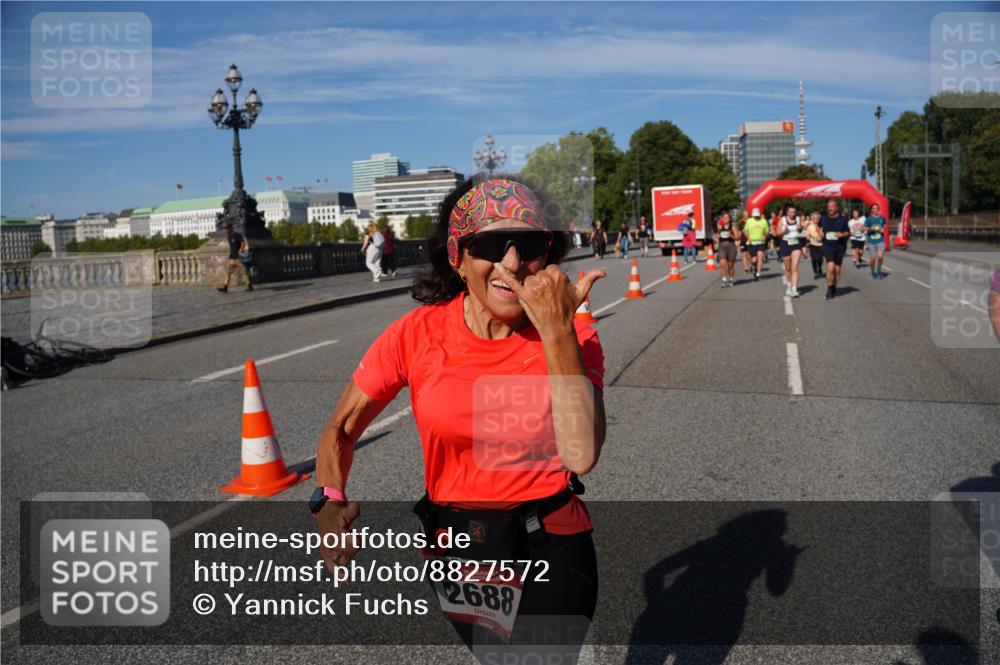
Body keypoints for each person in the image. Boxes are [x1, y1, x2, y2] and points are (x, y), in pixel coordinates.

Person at [312, 177, 606, 663]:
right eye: (490, 245)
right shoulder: (416, 334)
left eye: (529, 245)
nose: (511, 263)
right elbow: (341, 428)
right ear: (458, 256)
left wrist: (557, 332)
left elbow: (581, 453)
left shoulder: (574, 334)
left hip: (551, 540)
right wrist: (329, 502)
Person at [820, 199, 851, 299]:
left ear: (836, 207)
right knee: (830, 268)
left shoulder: (842, 219)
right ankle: (829, 288)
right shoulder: (823, 217)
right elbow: (819, 227)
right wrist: (820, 233)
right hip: (828, 246)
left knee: (837, 271)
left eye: (832, 206)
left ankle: (833, 286)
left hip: (839, 247)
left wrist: (841, 234)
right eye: (829, 206)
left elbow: (848, 232)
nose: (830, 208)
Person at [217, 222, 253, 293]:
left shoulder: (237, 234)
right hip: (232, 258)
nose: (226, 230)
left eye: (227, 228)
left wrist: (241, 250)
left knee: (245, 272)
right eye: (225, 229)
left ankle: (250, 286)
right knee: (228, 272)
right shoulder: (229, 236)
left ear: (231, 228)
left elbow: (243, 242)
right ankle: (225, 287)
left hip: (239, 258)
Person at [776, 204, 803, 298]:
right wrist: (784, 232)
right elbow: (777, 233)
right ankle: (789, 286)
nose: (793, 213)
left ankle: (795, 289)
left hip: (796, 243)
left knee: (795, 267)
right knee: (788, 268)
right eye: (791, 212)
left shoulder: (798, 219)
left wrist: (800, 228)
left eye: (794, 212)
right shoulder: (782, 220)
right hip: (785, 243)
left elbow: (800, 230)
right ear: (787, 212)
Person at [744, 208, 770, 280]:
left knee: (760, 256)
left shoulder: (763, 221)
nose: (756, 217)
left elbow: (767, 230)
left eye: (757, 215)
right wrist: (747, 237)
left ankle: (758, 273)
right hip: (751, 242)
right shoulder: (749, 221)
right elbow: (745, 230)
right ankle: (755, 268)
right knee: (754, 260)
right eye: (755, 216)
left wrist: (765, 235)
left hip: (761, 242)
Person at [863, 203, 887, 279]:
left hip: (880, 240)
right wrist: (871, 228)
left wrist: (883, 228)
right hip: (872, 241)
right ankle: (873, 270)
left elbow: (885, 224)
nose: (875, 210)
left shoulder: (881, 218)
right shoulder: (869, 219)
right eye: (874, 208)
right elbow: (863, 228)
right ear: (871, 210)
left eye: (877, 208)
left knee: (880, 256)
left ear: (878, 209)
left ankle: (879, 269)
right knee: (873, 259)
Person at [715, 211, 737, 287]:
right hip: (722, 247)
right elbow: (716, 236)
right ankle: (724, 280)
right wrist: (718, 231)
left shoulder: (733, 226)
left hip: (731, 246)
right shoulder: (720, 226)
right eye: (724, 218)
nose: (725, 219)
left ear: (730, 219)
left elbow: (737, 237)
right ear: (722, 218)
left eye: (727, 217)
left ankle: (731, 279)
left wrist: (731, 236)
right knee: (722, 264)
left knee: (731, 265)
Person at [805, 212, 824, 279]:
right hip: (812, 244)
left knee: (820, 259)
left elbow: (823, 236)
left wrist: (818, 231)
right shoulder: (810, 226)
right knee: (813, 259)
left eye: (817, 218)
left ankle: (819, 267)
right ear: (812, 219)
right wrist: (808, 238)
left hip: (821, 245)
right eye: (814, 218)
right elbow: (807, 234)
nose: (816, 219)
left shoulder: (822, 226)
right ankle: (815, 272)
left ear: (819, 219)